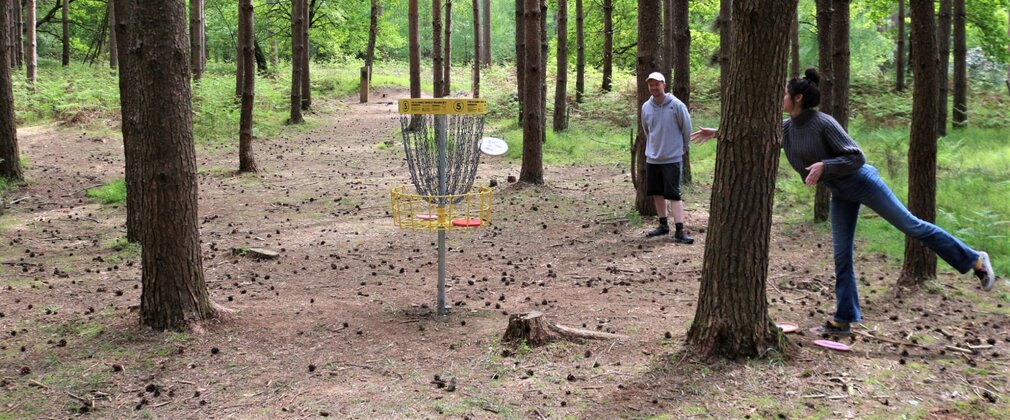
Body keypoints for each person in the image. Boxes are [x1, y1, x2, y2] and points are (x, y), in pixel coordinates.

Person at [691, 68, 998, 336]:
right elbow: (757, 134)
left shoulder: (823, 123)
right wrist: (719, 132)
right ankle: (844, 318)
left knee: (911, 226)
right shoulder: (786, 127)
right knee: (841, 255)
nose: (780, 98)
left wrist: (826, 165)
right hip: (841, 193)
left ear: (798, 98)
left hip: (864, 183)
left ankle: (974, 259)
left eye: (784, 93)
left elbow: (856, 156)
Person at [641, 72, 694, 244]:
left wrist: (681, 149)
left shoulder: (676, 105)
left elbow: (687, 129)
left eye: (657, 84)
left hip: (672, 158)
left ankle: (680, 230)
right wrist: (653, 148)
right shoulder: (646, 107)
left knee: (674, 194)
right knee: (657, 193)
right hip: (653, 158)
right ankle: (663, 225)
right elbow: (647, 130)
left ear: (664, 85)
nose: (654, 87)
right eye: (651, 85)